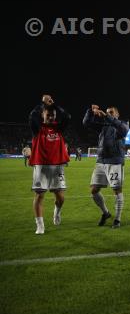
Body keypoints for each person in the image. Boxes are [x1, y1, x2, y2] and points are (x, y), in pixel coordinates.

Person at [29, 94, 71, 234]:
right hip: (41, 166)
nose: (51, 117)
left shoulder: (59, 129)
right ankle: (40, 225)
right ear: (43, 115)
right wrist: (42, 103)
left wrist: (55, 105)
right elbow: (31, 116)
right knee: (39, 196)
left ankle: (57, 212)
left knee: (60, 198)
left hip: (57, 166)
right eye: (48, 114)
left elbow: (67, 117)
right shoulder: (37, 129)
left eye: (53, 115)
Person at [83, 104, 129, 229]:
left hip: (115, 161)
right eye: (108, 112)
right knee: (94, 190)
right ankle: (106, 213)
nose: (108, 114)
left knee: (116, 190)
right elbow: (86, 123)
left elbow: (124, 130)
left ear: (117, 114)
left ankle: (118, 219)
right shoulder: (103, 127)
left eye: (111, 112)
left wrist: (106, 116)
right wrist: (90, 111)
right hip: (101, 161)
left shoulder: (122, 125)